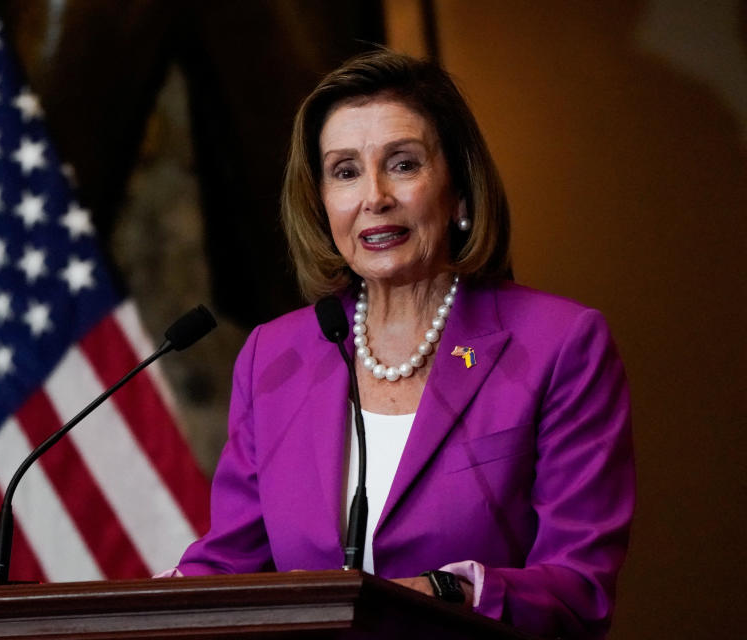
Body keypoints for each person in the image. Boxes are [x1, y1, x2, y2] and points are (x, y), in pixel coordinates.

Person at [172, 50, 634, 639]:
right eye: (345, 171)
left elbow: (580, 588)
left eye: (404, 164)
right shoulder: (276, 354)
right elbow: (228, 564)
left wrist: (452, 589)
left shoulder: (561, 344)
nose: (375, 197)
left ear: (459, 191)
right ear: (320, 203)